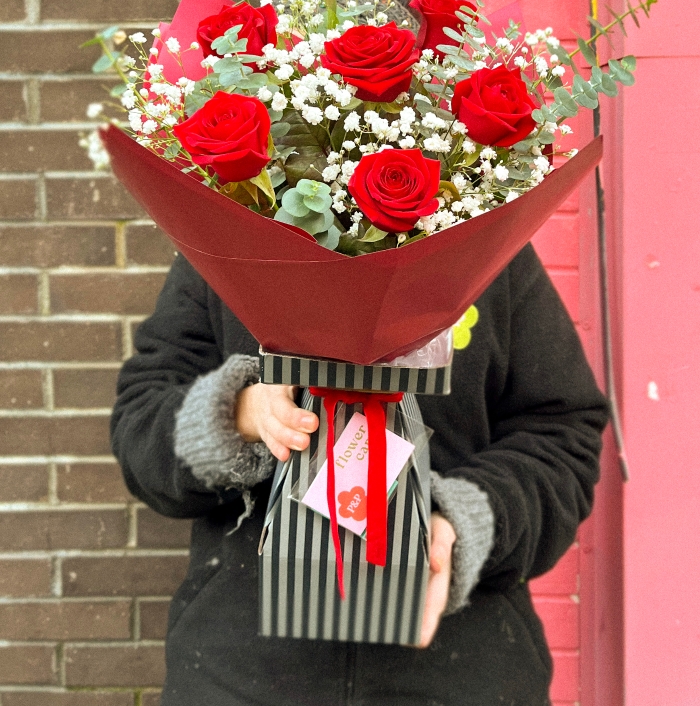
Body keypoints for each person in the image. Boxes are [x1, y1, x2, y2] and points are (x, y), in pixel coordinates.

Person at [112, 241, 608, 706]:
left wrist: (465, 523)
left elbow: (561, 434)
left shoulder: (487, 241)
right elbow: (141, 427)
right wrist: (238, 414)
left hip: (463, 677)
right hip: (239, 677)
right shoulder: (230, 232)